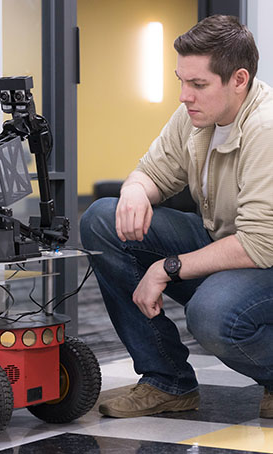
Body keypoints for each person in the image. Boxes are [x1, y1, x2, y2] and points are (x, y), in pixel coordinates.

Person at [80, 14, 273, 419]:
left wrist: (165, 269)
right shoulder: (194, 116)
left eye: (198, 84)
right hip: (225, 246)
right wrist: (134, 189)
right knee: (102, 218)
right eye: (181, 81)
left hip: (264, 260)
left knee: (212, 312)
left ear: (239, 80)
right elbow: (152, 172)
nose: (185, 95)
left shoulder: (265, 129)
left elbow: (259, 244)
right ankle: (166, 382)